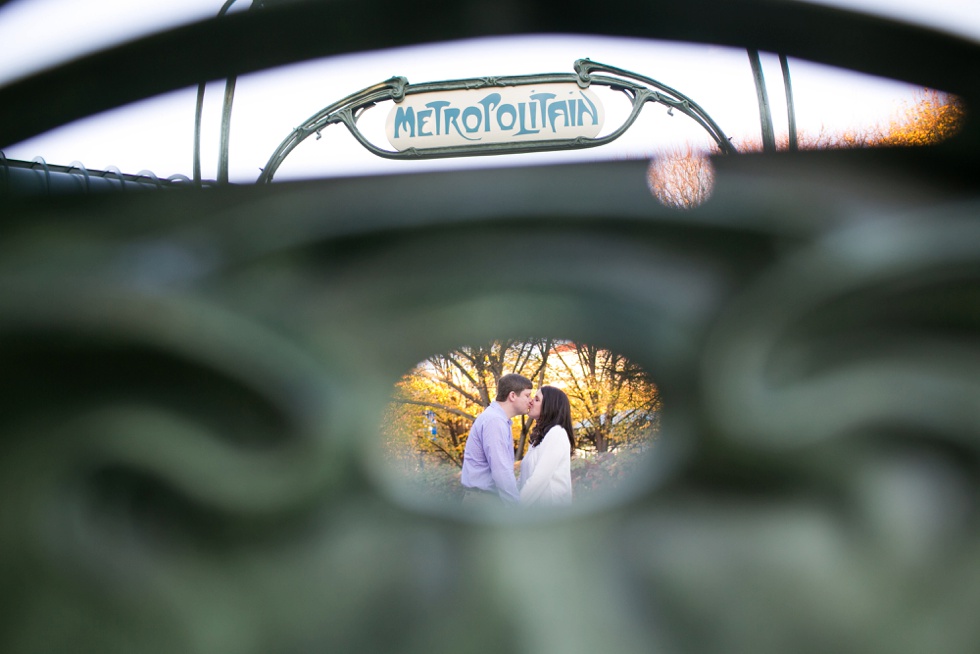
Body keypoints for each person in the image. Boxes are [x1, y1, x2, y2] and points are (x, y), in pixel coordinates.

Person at [460, 373, 533, 505]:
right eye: (527, 396)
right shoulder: (495, 421)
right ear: (512, 396)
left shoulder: (498, 419)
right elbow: (502, 472)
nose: (530, 401)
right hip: (483, 503)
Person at [518, 385, 574, 506]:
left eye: (537, 399)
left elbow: (539, 479)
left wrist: (515, 508)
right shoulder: (537, 439)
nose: (531, 401)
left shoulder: (557, 433)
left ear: (550, 406)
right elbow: (524, 479)